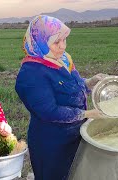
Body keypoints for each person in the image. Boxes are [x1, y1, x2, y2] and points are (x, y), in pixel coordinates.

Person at [15, 15, 106, 180]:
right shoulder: (31, 73)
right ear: (41, 42)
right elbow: (49, 111)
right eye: (56, 42)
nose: (63, 46)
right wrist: (87, 114)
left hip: (75, 135)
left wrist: (90, 82)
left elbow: (72, 88)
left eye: (64, 40)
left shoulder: (63, 60)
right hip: (52, 142)